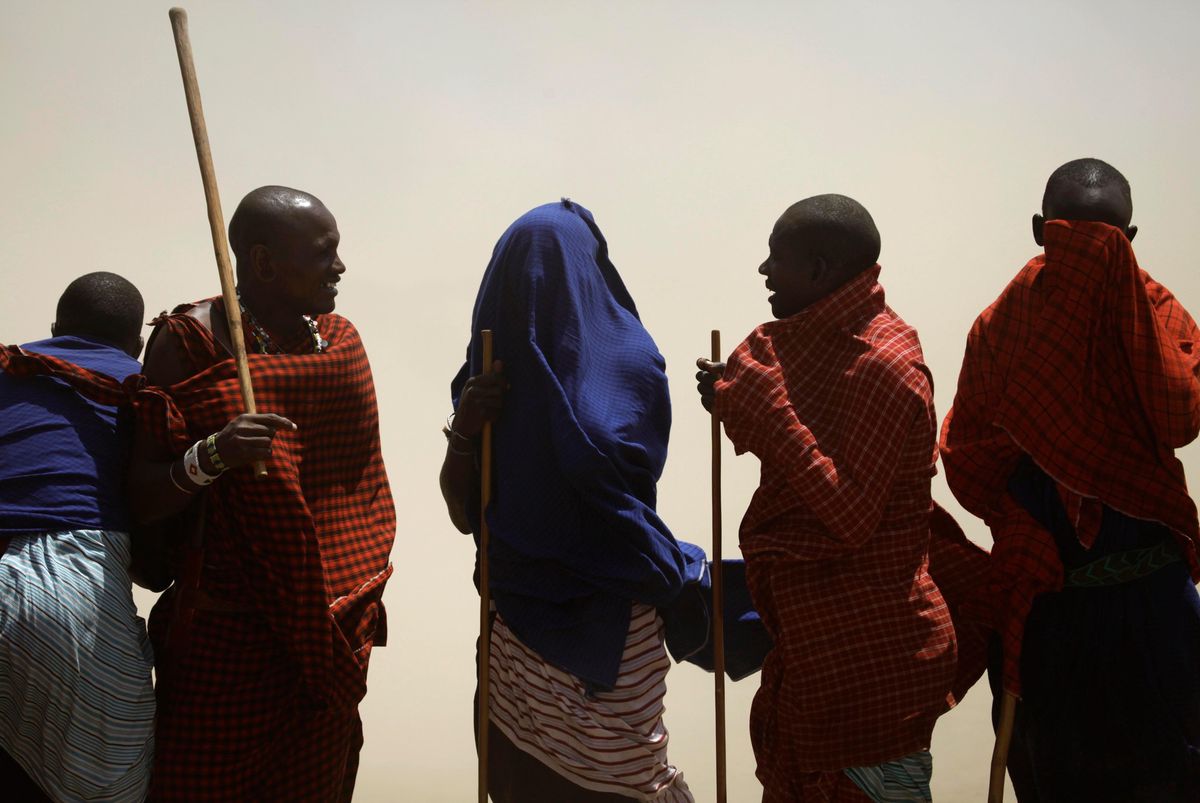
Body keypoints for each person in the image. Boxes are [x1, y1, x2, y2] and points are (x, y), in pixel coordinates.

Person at [696, 194, 988, 802]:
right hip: (814, 662)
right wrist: (732, 397)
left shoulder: (884, 364)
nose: (763, 271)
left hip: (873, 672)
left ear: (821, 269)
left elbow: (848, 516)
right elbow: (793, 426)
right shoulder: (813, 344)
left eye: (778, 258)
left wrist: (764, 409)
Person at [940, 158, 1200, 801]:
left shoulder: (1160, 316)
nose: (1089, 254)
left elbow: (1181, 416)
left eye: (1106, 241)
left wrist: (1125, 326)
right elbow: (967, 450)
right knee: (1054, 767)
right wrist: (1015, 523)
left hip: (1151, 597)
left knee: (1174, 765)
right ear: (1039, 231)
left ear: (1129, 242)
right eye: (1072, 235)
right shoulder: (1002, 326)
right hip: (1051, 596)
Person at [127, 186, 396, 801]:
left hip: (329, 634)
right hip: (225, 641)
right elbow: (141, 497)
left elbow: (359, 488)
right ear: (264, 262)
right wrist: (212, 456)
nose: (340, 267)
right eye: (324, 253)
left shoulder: (340, 342)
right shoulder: (189, 344)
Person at [441, 199, 695, 802]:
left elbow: (609, 469)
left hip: (612, 618)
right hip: (515, 616)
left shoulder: (630, 365)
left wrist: (568, 431)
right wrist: (465, 431)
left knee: (622, 780)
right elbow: (464, 513)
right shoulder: (489, 372)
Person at [0, 272, 155, 802]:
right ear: (136, 345)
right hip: (72, 583)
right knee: (104, 778)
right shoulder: (145, 389)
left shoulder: (9, 364)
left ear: (53, 329)